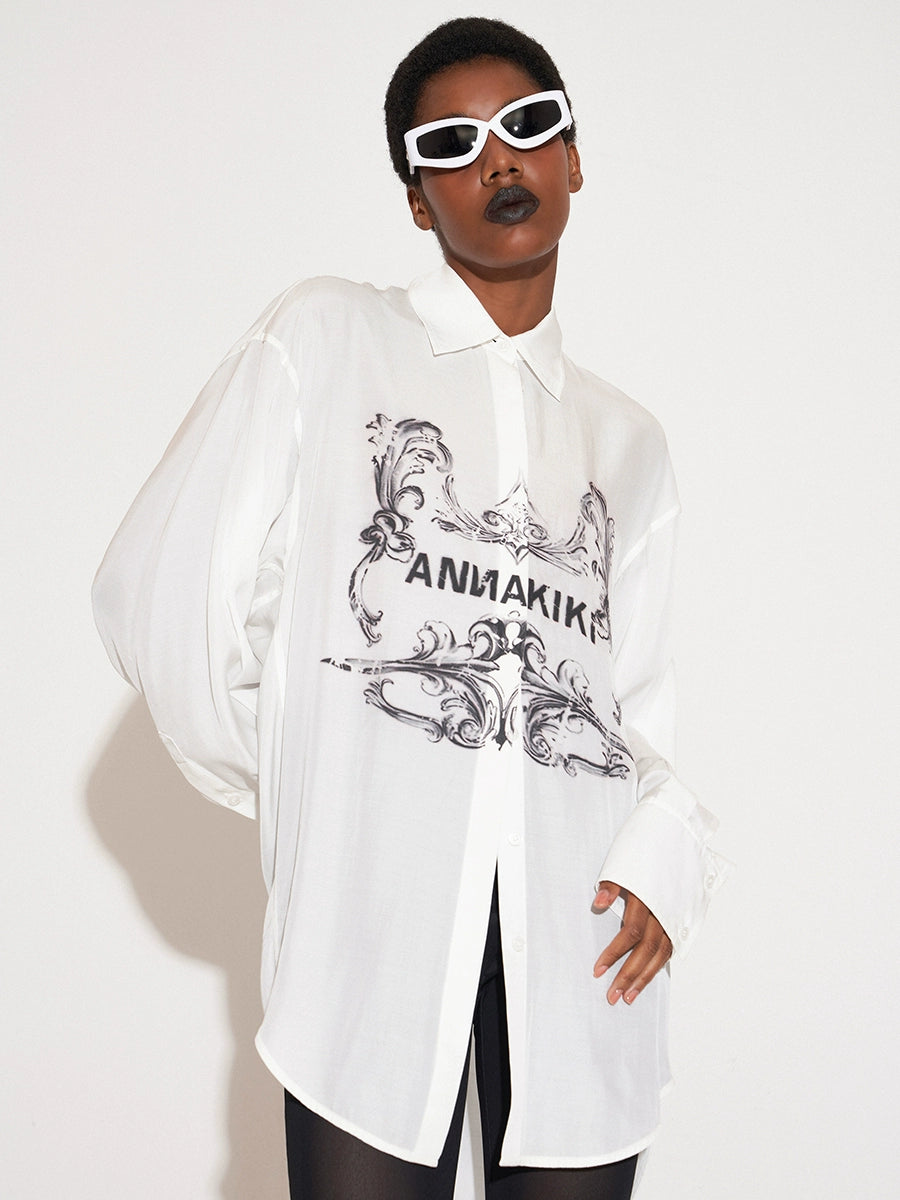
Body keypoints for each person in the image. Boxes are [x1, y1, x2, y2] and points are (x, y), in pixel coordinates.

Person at [93, 16, 729, 1200]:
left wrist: (665, 860)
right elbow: (158, 592)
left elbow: (632, 713)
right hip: (372, 937)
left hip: (579, 937)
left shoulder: (629, 442)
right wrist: (324, 789)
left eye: (528, 126)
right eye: (452, 144)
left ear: (573, 157)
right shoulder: (326, 337)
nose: (499, 160)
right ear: (417, 199)